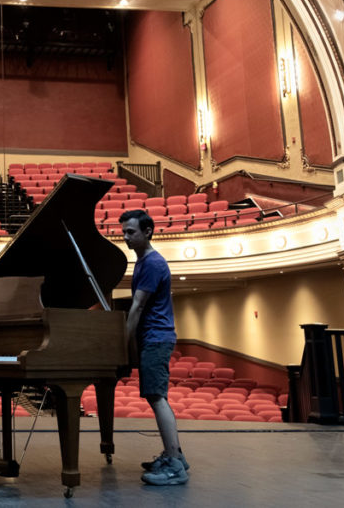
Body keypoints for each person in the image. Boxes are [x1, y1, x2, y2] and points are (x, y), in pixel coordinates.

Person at [119, 208, 189, 486]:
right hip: (154, 337)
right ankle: (175, 455)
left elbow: (136, 307)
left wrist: (120, 343)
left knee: (157, 397)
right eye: (124, 232)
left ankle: (174, 466)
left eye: (131, 232)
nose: (125, 237)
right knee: (156, 396)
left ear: (147, 231)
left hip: (156, 338)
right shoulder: (142, 262)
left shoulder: (151, 264)